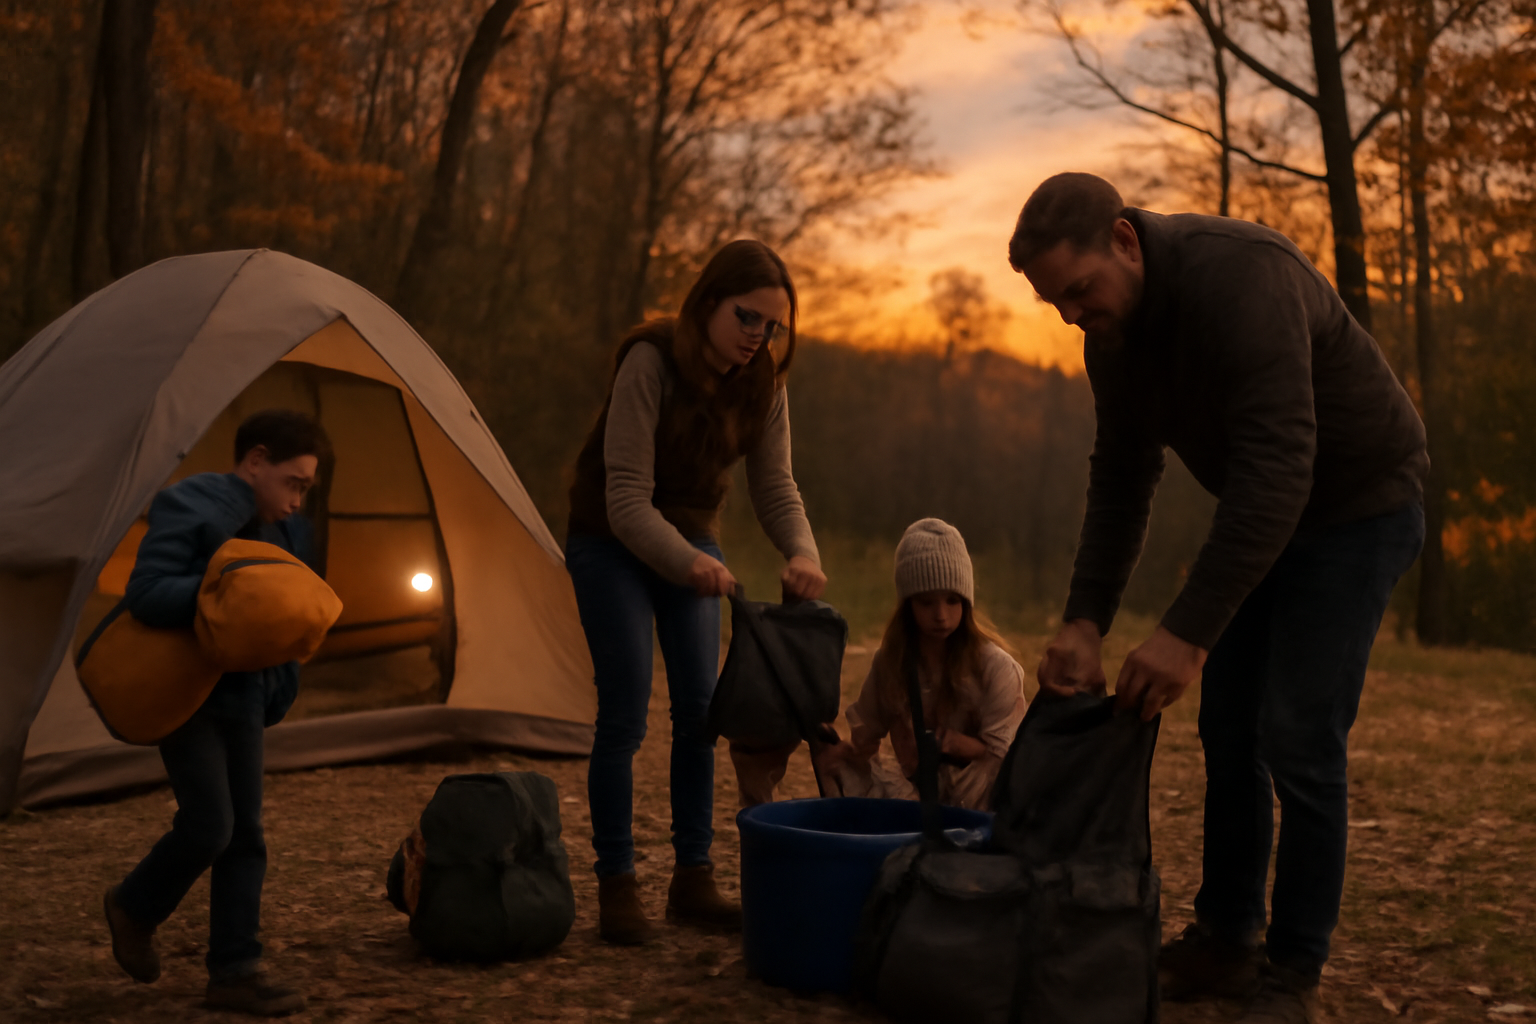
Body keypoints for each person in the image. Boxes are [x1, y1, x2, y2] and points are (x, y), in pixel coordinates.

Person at [1011, 173, 1427, 1023]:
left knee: (1300, 737)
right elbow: (1124, 478)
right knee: (1227, 731)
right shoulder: (1111, 338)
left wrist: (1187, 634)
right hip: (1267, 514)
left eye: (1080, 290)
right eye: (1057, 304)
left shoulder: (1243, 278)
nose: (1074, 315)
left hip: (1360, 506)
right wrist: (1084, 620)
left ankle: (1292, 972)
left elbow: (1282, 468)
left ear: (1124, 240)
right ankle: (1227, 941)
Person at [564, 239, 827, 946]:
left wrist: (802, 551)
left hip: (689, 538)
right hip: (608, 540)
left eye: (772, 326)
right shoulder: (649, 360)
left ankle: (693, 879)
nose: (758, 337)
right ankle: (617, 883)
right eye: (747, 318)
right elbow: (625, 499)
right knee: (624, 714)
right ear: (708, 302)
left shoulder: (763, 383)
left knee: (700, 713)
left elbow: (774, 487)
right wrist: (687, 563)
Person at [102, 410, 331, 1016]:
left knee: (246, 834)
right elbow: (146, 592)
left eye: (306, 488)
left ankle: (234, 971)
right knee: (210, 826)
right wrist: (221, 596)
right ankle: (133, 906)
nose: (297, 499)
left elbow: (287, 615)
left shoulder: (289, 530)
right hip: (187, 691)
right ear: (256, 462)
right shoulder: (193, 504)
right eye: (293, 482)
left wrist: (281, 685)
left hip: (245, 694)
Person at [818, 519, 1026, 811]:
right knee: (840, 765)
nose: (941, 615)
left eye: (952, 601)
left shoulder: (997, 667)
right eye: (927, 603)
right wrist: (842, 755)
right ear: (909, 605)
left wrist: (955, 745)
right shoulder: (891, 662)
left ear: (966, 604)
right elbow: (866, 736)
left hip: (979, 796)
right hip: (914, 795)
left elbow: (1006, 754)